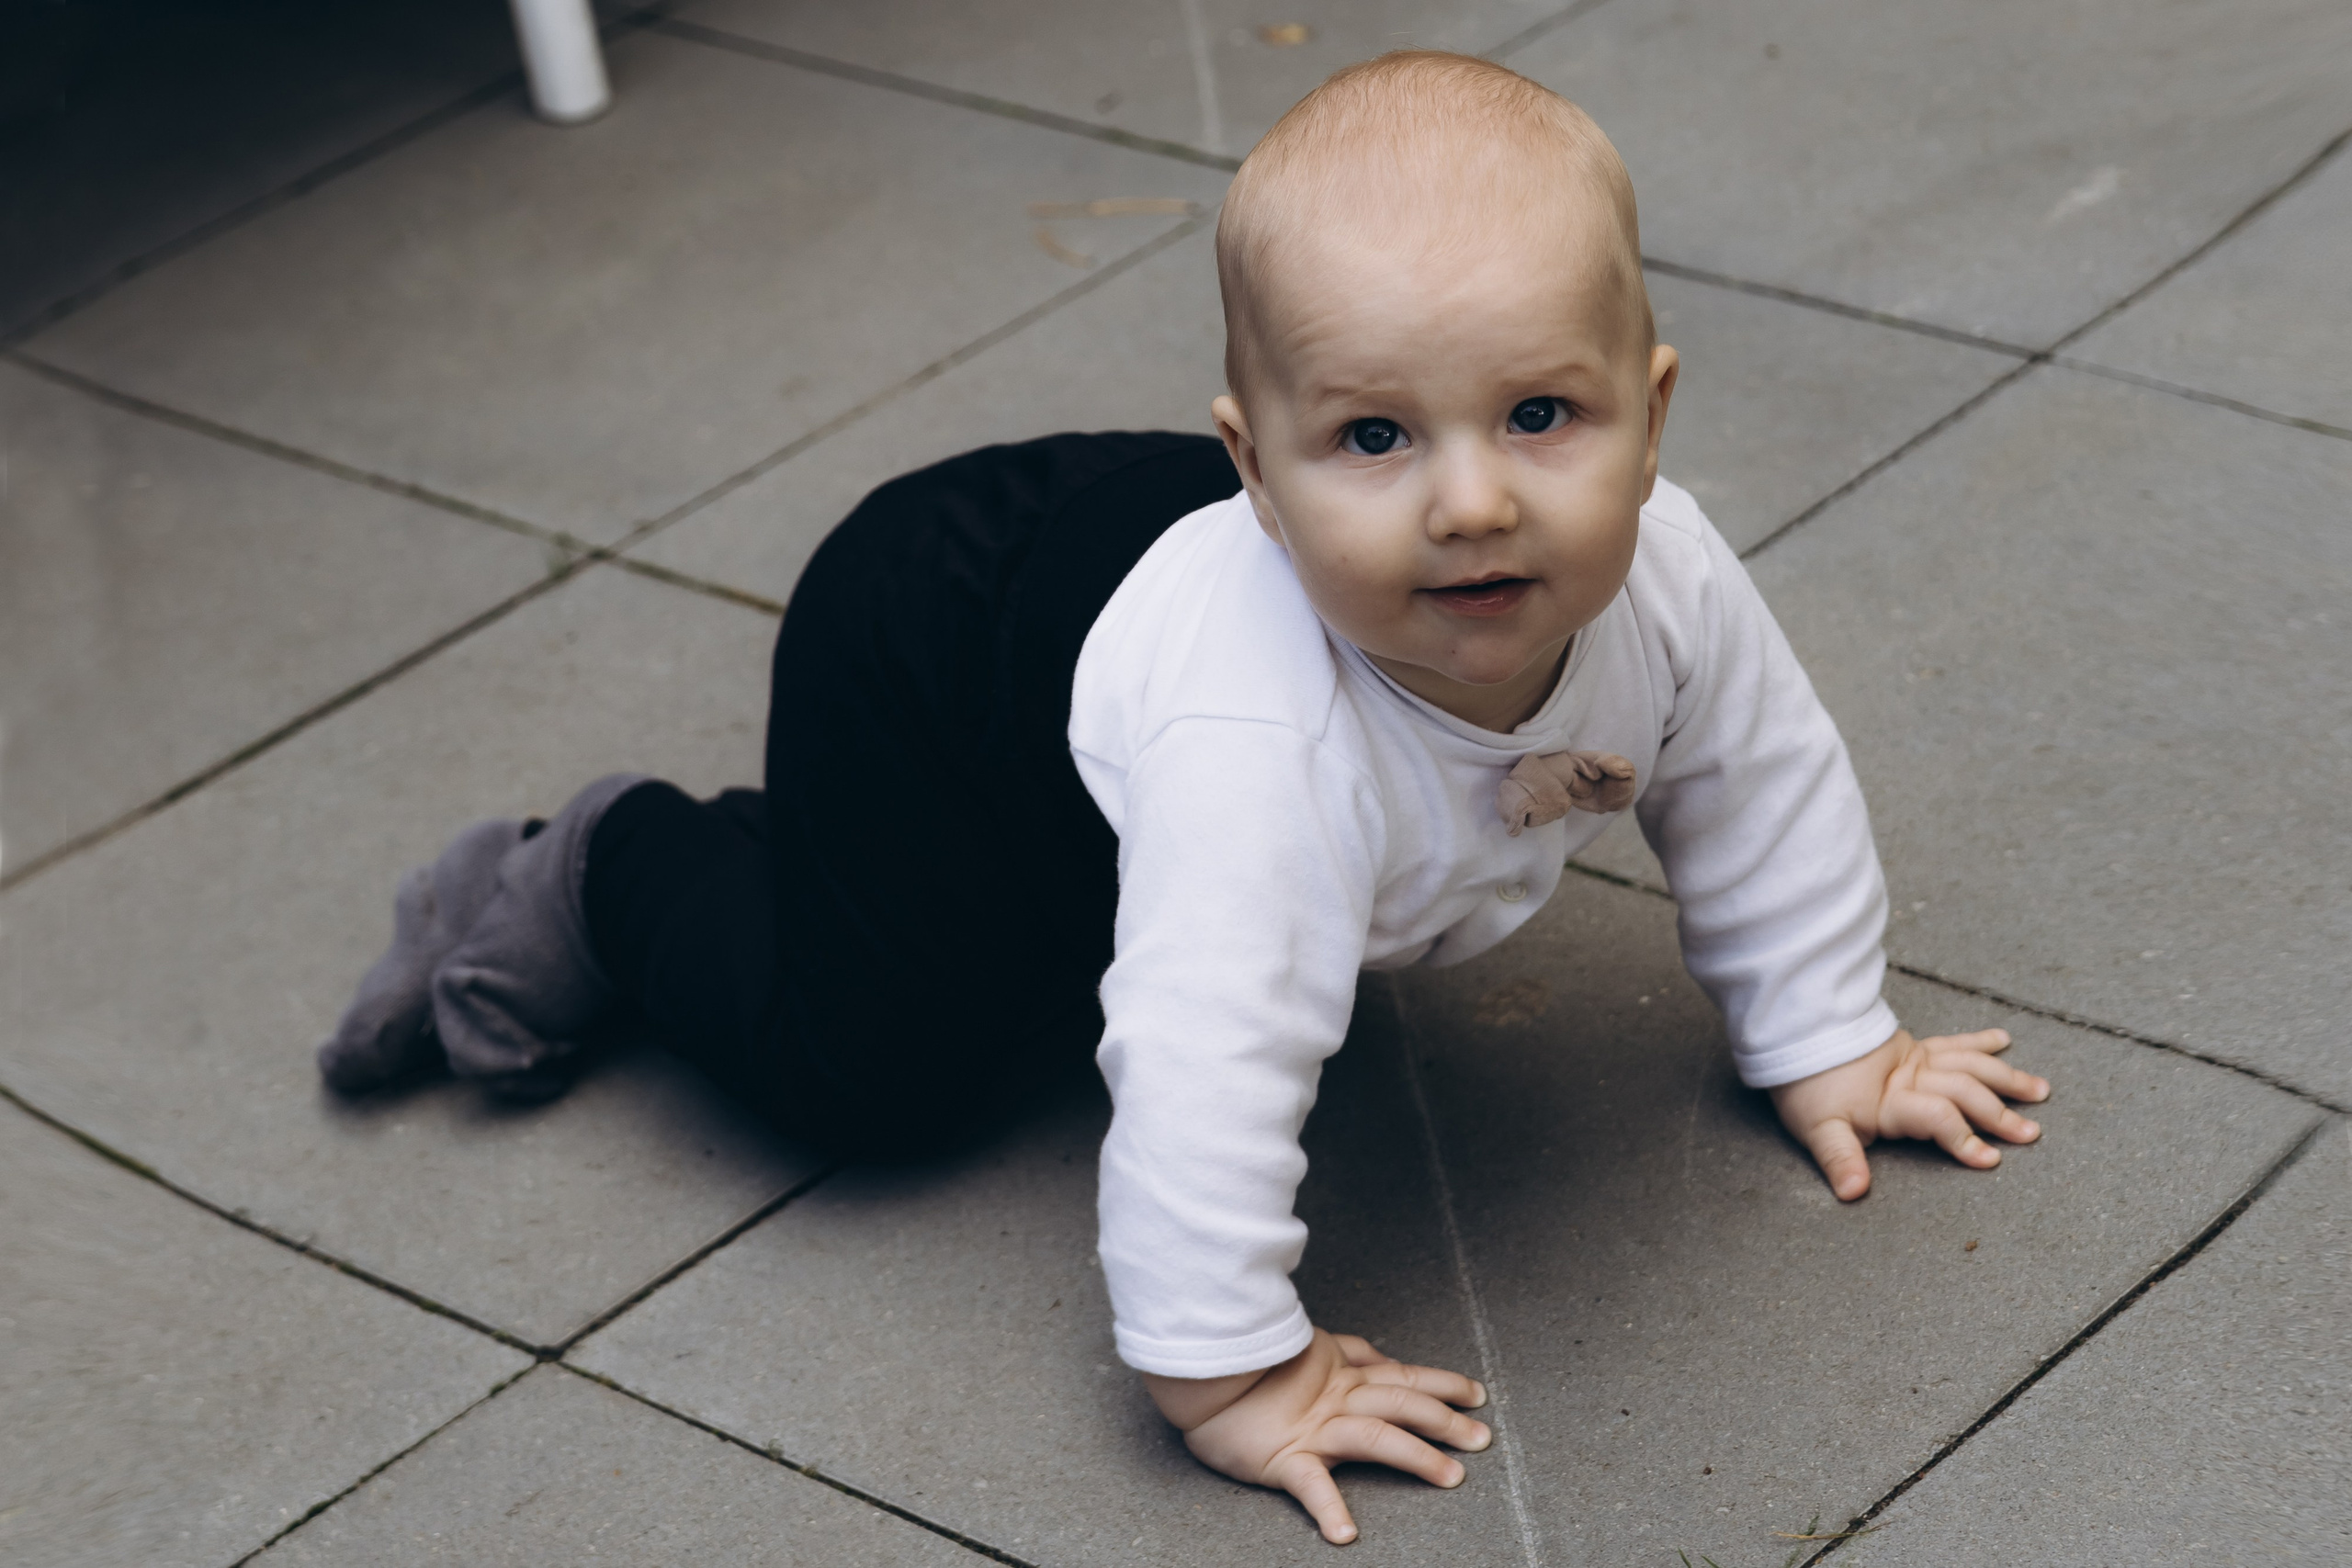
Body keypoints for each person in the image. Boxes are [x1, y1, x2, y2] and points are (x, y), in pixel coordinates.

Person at [315, 51, 2052, 1546]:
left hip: (1109, 636)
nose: (1469, 504)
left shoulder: (1668, 575)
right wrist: (1228, 1369)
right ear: (1260, 469)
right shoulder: (1258, 747)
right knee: (888, 1069)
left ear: (1649, 420)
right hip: (930, 654)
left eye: (1539, 415)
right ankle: (609, 866)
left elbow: (1763, 777)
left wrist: (1830, 1028)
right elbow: (1204, 1051)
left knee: (1183, 918)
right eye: (1375, 435)